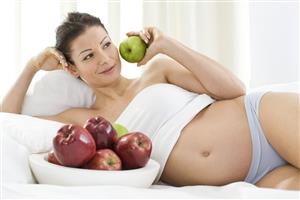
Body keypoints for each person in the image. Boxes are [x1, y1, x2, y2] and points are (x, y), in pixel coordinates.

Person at [1, 12, 299, 190]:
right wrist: (32, 67)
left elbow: (235, 88)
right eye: (89, 56)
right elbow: (7, 122)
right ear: (72, 68)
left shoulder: (158, 70)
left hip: (263, 120)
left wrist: (167, 46)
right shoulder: (85, 122)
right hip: (254, 179)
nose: (105, 59)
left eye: (106, 44)